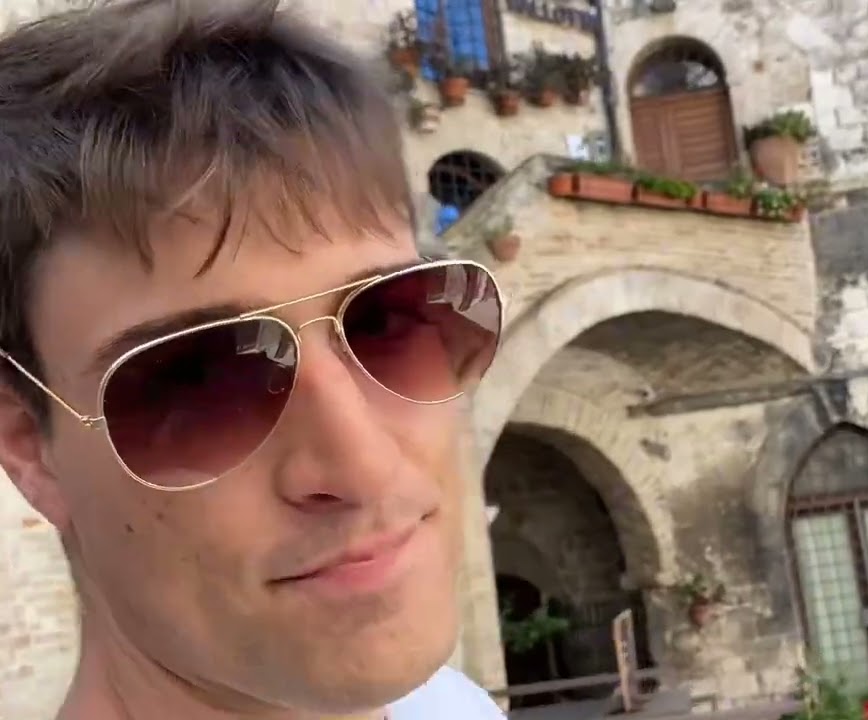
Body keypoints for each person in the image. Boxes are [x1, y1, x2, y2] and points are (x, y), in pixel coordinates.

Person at [0, 1, 506, 718]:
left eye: (384, 322)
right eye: (199, 378)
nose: (365, 467)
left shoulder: (456, 708)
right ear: (29, 444)